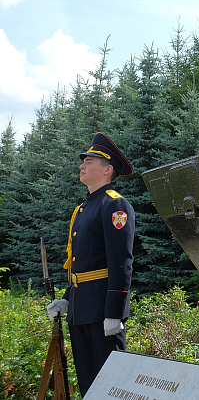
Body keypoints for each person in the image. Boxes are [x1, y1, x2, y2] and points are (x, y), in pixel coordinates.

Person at [47, 132, 135, 395]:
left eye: (89, 161)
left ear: (107, 169)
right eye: (83, 161)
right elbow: (81, 266)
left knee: (112, 386)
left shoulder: (114, 205)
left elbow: (121, 262)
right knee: (89, 385)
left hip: (102, 313)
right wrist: (66, 299)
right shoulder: (84, 209)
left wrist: (115, 311)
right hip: (80, 310)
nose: (82, 165)